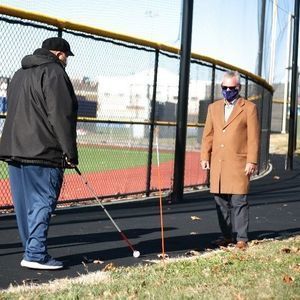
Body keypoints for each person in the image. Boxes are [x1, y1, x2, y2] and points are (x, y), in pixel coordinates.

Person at [0, 37, 78, 269]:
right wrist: (70, 153)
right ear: (59, 54)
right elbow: (60, 116)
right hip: (43, 149)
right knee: (43, 200)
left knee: (25, 205)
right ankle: (35, 254)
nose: (66, 61)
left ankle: (31, 250)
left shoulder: (19, 73)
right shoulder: (55, 72)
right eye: (66, 57)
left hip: (15, 148)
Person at [200, 71, 260, 250]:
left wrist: (252, 161)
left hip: (239, 163)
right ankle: (226, 236)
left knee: (239, 201)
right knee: (220, 201)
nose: (227, 91)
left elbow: (254, 138)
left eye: (231, 88)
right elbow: (208, 135)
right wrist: (205, 156)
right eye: (224, 88)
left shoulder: (249, 108)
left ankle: (241, 239)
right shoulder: (213, 107)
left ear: (239, 88)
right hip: (218, 163)